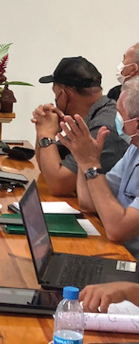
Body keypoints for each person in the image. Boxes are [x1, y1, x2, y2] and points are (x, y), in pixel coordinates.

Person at [58, 78, 139, 258]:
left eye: (119, 114)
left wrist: (90, 163)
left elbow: (118, 229)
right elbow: (89, 202)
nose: (114, 120)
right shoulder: (134, 150)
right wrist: (82, 157)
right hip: (119, 254)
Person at [31, 56, 127, 196]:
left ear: (63, 95)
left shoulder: (103, 126)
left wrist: (46, 133)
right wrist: (42, 129)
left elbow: (58, 184)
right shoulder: (89, 116)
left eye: (55, 94)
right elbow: (46, 169)